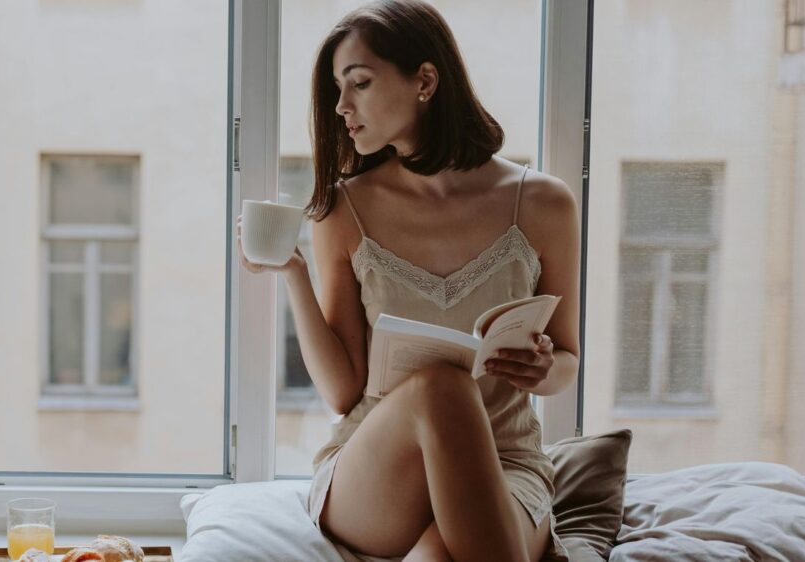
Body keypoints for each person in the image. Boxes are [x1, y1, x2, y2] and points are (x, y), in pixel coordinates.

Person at [236, 1, 579, 560]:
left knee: (443, 550)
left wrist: (543, 367)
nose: (343, 107)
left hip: (506, 463)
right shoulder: (344, 209)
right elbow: (345, 391)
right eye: (337, 90)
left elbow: (566, 360)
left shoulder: (543, 204)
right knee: (443, 387)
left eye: (360, 83)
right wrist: (295, 274)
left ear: (424, 80)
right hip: (378, 472)